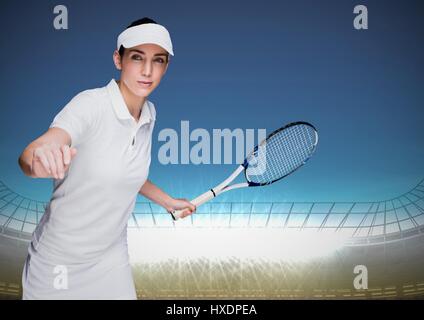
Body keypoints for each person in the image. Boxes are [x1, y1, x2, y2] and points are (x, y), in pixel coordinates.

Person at [17, 17, 195, 299]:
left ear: (166, 66)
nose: (147, 70)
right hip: (58, 263)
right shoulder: (90, 104)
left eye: (158, 60)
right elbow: (37, 150)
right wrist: (39, 155)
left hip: (111, 260)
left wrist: (167, 201)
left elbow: (126, 173)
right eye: (137, 57)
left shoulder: (150, 114)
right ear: (118, 59)